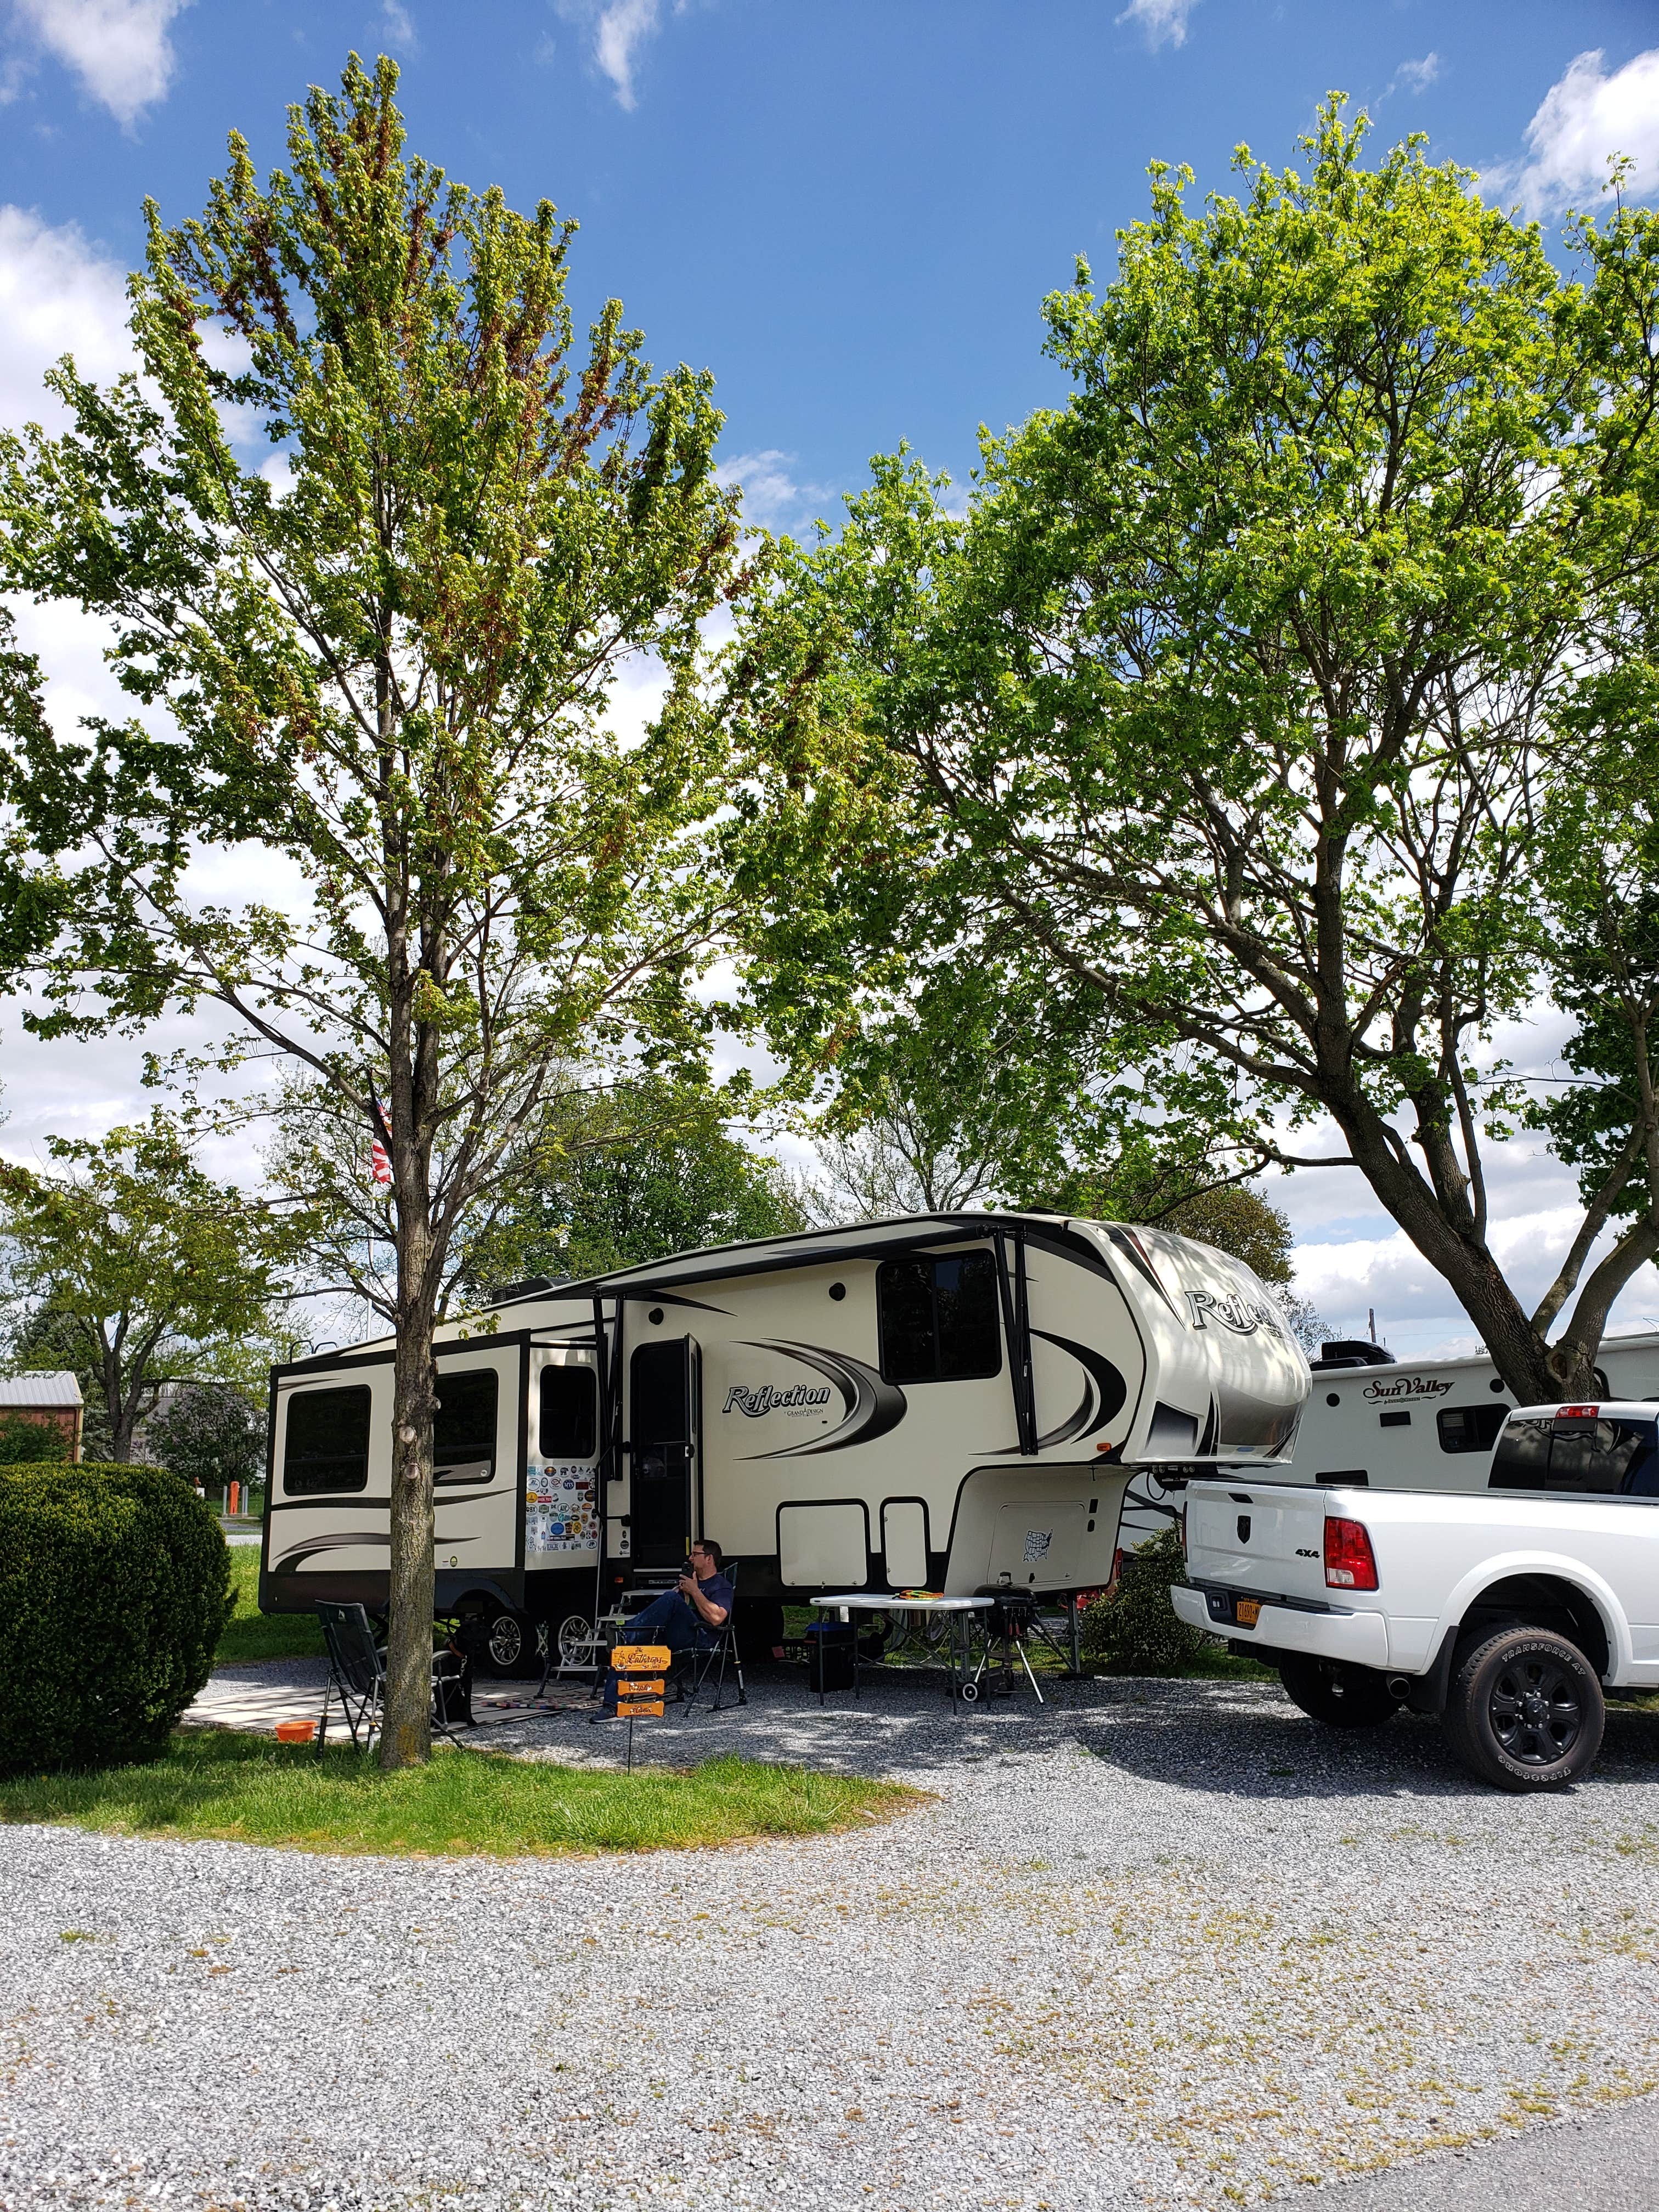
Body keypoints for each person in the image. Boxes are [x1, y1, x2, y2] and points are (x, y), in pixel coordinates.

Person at [591, 1538, 733, 1720]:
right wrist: (683, 1593)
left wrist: (694, 1591)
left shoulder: (721, 1586)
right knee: (626, 1649)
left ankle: (625, 1634)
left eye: (695, 1555)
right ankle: (612, 1707)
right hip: (675, 1634)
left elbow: (716, 1619)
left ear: (709, 1559)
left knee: (669, 1599)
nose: (690, 1559)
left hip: (701, 1637)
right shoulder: (690, 1583)